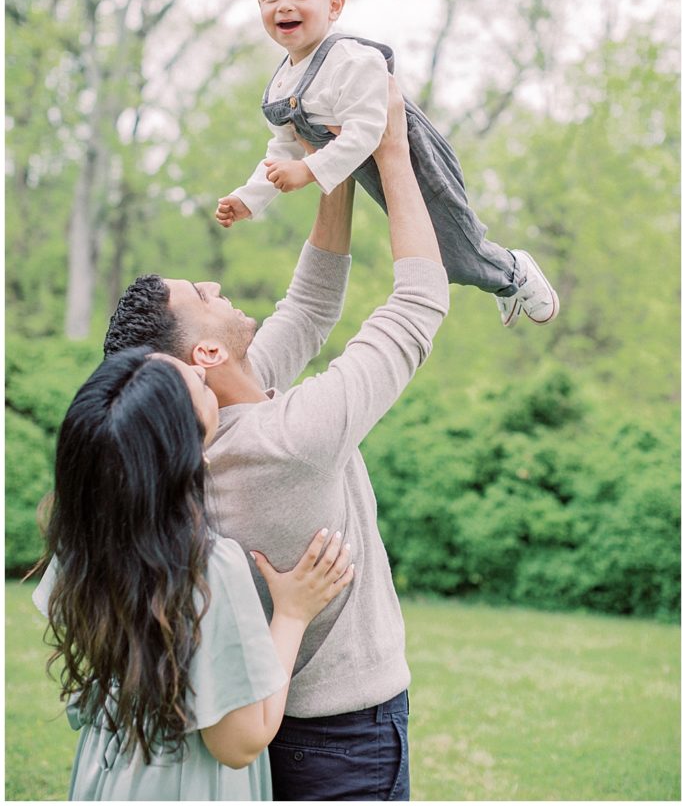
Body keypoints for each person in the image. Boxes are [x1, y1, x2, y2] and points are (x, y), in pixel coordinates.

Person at [103, 82, 448, 800]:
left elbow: (313, 304)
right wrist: (386, 151)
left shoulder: (202, 435)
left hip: (275, 720)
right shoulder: (287, 440)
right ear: (204, 357)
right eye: (201, 296)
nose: (214, 280)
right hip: (346, 738)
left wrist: (329, 164)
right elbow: (418, 303)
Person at [32, 347, 353, 801]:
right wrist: (293, 614)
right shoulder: (205, 567)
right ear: (183, 442)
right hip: (183, 784)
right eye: (199, 385)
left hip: (109, 772)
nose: (206, 372)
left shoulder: (82, 538)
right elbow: (238, 742)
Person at [216, 0, 559, 329]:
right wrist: (250, 198)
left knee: (449, 246)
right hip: (369, 169)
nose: (285, 5)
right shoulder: (283, 82)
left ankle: (512, 273)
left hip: (411, 157)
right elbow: (283, 148)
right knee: (426, 253)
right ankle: (501, 280)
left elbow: (369, 131)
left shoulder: (350, 60)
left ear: (334, 5)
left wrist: (310, 171)